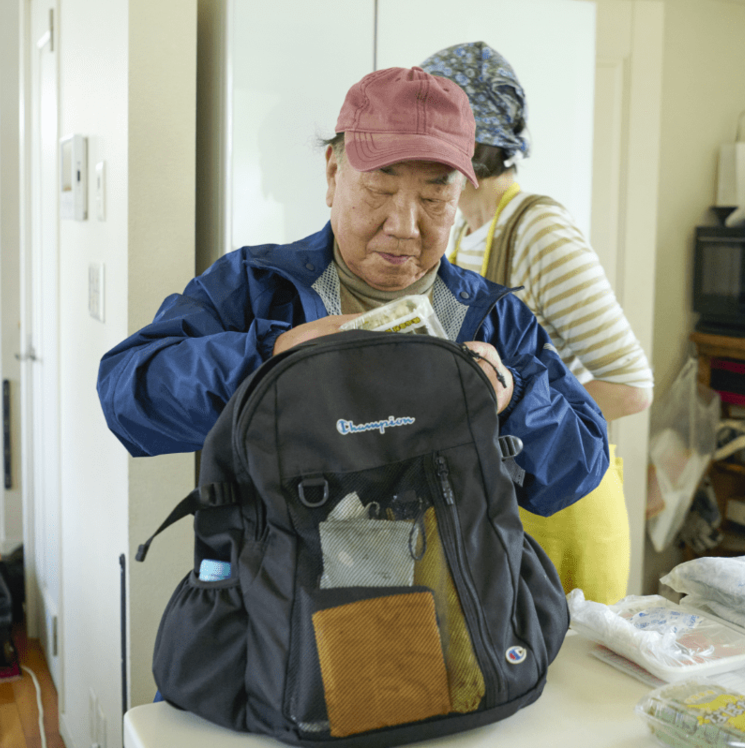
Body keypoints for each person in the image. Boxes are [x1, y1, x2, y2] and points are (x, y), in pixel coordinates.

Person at [97, 65, 609, 520]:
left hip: (449, 591)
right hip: (282, 589)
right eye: (379, 189)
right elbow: (127, 399)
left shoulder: (495, 317)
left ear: (460, 196)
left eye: (435, 196)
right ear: (332, 173)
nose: (403, 226)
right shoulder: (255, 285)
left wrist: (511, 396)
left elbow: (578, 470)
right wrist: (272, 358)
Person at [421, 42, 653, 604]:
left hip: (562, 501)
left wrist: (534, 421)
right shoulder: (463, 232)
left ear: (468, 142)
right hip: (505, 496)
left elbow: (631, 385)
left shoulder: (538, 231)